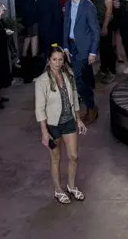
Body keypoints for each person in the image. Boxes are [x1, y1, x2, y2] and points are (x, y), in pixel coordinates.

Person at [35, 48, 89, 204]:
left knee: (74, 156)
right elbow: (39, 108)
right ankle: (58, 190)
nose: (57, 63)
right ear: (49, 60)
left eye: (60, 59)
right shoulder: (42, 81)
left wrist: (78, 119)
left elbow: (74, 99)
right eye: (54, 59)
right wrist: (44, 132)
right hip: (53, 125)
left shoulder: (68, 75)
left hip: (69, 121)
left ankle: (71, 186)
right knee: (55, 158)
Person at [58, 0, 100, 124]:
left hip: (84, 48)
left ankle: (91, 107)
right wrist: (65, 47)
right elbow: (66, 26)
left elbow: (95, 31)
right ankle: (90, 104)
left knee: (77, 78)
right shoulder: (68, 4)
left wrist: (93, 52)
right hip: (72, 46)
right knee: (84, 77)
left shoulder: (88, 6)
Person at [85, 0, 117, 83]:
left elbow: (109, 9)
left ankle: (112, 71)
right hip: (98, 21)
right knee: (102, 48)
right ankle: (104, 69)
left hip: (105, 21)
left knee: (107, 48)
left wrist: (104, 26)